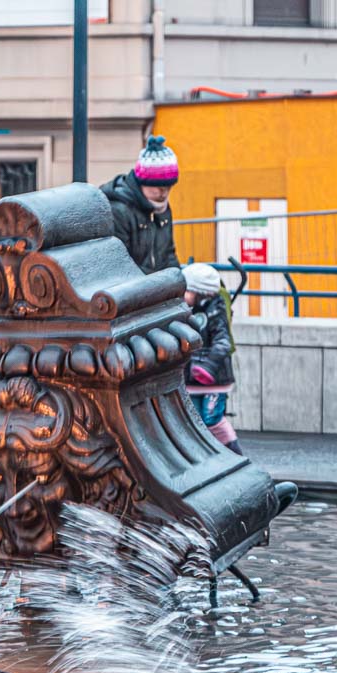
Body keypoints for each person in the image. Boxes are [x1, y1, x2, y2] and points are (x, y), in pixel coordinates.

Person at [182, 262, 243, 455]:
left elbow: (222, 341)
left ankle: (235, 455)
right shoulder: (185, 310)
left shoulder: (215, 310)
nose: (183, 295)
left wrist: (208, 366)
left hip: (214, 378)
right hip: (193, 379)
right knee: (195, 420)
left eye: (187, 291)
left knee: (212, 418)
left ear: (199, 292)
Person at [100, 135, 181, 274]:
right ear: (143, 182)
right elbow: (119, 264)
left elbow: (169, 254)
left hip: (154, 286)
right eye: (159, 187)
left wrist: (176, 283)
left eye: (168, 187)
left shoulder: (161, 207)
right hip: (135, 288)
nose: (164, 193)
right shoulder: (119, 210)